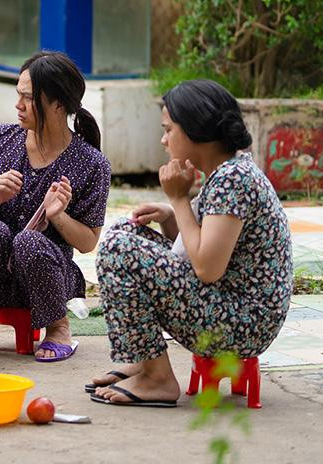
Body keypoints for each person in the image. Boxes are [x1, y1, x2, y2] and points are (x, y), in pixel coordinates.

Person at [89, 79, 293, 407]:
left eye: (169, 130)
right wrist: (171, 216)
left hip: (242, 324)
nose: (163, 139)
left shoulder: (233, 179)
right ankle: (144, 360)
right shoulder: (227, 170)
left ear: (195, 131)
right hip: (229, 307)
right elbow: (203, 246)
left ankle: (158, 379)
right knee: (125, 234)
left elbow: (207, 269)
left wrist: (179, 199)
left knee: (119, 249)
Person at [0, 51, 110, 361]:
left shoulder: (91, 163)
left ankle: (58, 328)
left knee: (29, 241)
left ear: (58, 104)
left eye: (28, 97)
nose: (18, 104)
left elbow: (89, 242)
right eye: (18, 94)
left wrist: (59, 216)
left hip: (50, 283)